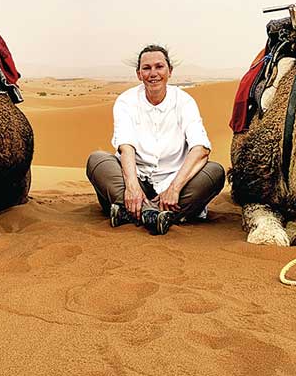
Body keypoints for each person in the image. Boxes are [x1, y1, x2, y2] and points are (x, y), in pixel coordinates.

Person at [85, 44, 226, 235]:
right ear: (138, 74)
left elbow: (201, 149)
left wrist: (175, 188)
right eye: (146, 68)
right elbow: (126, 147)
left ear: (170, 71)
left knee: (215, 172)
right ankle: (158, 215)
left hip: (175, 182)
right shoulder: (126, 101)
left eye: (159, 67)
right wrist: (132, 187)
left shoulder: (184, 102)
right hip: (137, 177)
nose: (153, 73)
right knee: (97, 161)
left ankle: (131, 213)